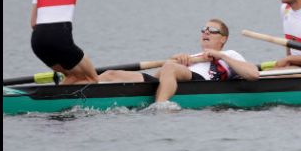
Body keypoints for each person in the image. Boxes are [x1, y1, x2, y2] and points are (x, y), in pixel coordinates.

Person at [99, 19, 259, 104]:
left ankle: (160, 107)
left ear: (223, 38)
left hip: (202, 81)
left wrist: (221, 56)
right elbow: (160, 74)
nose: (206, 32)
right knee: (110, 74)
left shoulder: (230, 54)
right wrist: (176, 59)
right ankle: (83, 89)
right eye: (204, 30)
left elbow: (253, 74)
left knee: (170, 68)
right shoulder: (193, 55)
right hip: (176, 75)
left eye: (212, 30)